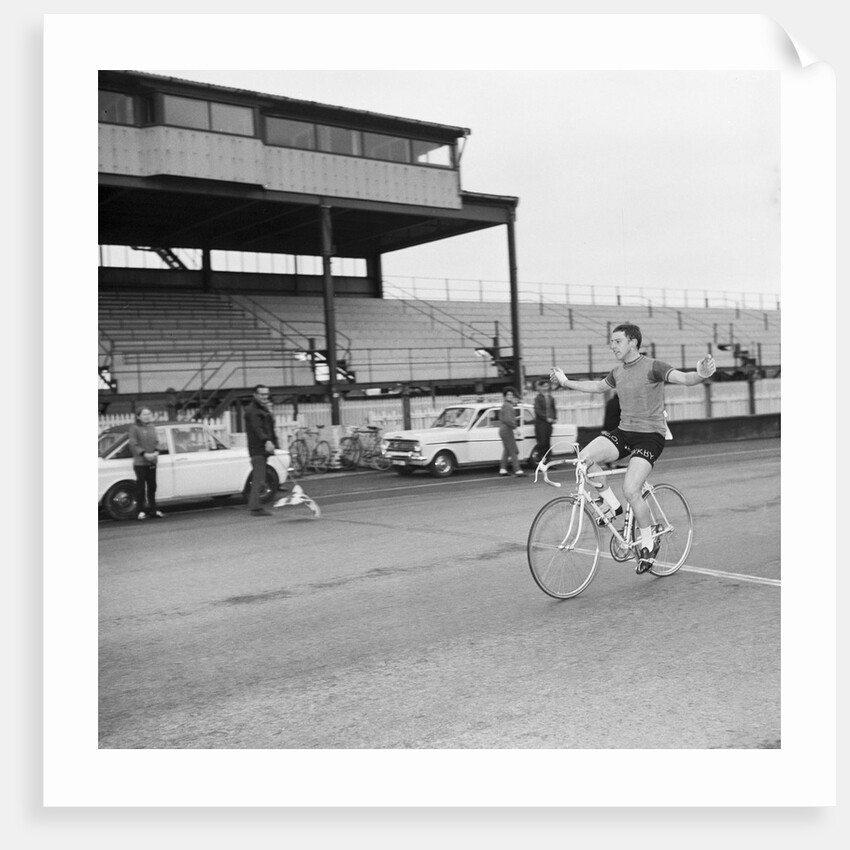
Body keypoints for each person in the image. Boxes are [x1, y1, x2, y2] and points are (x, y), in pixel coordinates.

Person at [550, 323, 715, 574]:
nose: (612, 346)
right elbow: (596, 386)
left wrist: (700, 373)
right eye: (611, 341)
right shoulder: (617, 372)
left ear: (633, 342)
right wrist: (565, 381)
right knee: (584, 458)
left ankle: (648, 543)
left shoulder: (653, 367)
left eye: (617, 341)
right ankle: (611, 504)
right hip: (625, 432)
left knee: (631, 489)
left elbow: (684, 378)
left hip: (650, 437)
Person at [245, 384, 279, 517]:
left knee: (261, 477)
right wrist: (267, 441)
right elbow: (257, 428)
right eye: (262, 394)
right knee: (258, 479)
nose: (265, 397)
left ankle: (255, 505)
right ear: (255, 395)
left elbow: (269, 426)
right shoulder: (253, 410)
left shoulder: (261, 409)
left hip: (262, 449)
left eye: (266, 394)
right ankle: (255, 507)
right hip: (258, 449)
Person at [128, 407, 164, 520]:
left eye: (149, 413)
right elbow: (133, 444)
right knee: (141, 487)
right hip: (140, 462)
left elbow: (157, 442)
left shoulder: (152, 427)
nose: (147, 416)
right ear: (138, 416)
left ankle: (153, 510)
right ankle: (140, 510)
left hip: (152, 461)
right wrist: (144, 454)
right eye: (144, 414)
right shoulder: (134, 428)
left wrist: (156, 451)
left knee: (152, 486)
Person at [498, 386, 525, 476]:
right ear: (505, 396)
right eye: (508, 394)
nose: (510, 396)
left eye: (511, 394)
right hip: (507, 429)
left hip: (504, 429)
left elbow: (506, 418)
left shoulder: (505, 405)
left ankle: (503, 469)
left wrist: (515, 418)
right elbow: (508, 420)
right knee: (513, 450)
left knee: (507, 450)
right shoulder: (508, 406)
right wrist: (516, 428)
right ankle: (517, 470)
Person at [532, 378, 557, 463]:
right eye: (544, 386)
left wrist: (554, 418)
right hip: (541, 423)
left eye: (547, 386)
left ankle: (548, 460)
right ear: (541, 387)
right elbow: (537, 410)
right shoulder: (538, 398)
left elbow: (553, 408)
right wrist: (546, 418)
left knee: (547, 442)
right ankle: (539, 458)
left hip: (549, 423)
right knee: (542, 442)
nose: (546, 388)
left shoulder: (550, 397)